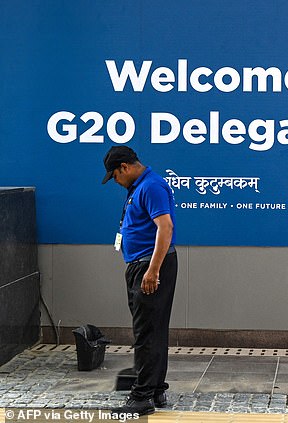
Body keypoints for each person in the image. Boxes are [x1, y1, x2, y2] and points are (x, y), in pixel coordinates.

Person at [102, 146, 177, 416]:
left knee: (146, 332)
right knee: (153, 330)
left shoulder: (151, 186)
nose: (116, 182)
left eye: (115, 176)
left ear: (124, 167)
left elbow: (165, 228)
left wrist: (153, 270)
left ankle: (141, 397)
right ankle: (155, 389)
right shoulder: (140, 186)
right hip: (143, 264)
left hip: (150, 265)